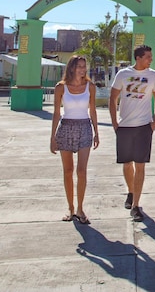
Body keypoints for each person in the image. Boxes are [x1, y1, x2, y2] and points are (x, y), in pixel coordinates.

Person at [109, 45, 155, 223]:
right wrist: (114, 123)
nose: (150, 60)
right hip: (125, 125)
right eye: (148, 57)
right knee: (127, 164)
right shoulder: (122, 74)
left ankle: (136, 206)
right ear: (138, 58)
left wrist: (154, 122)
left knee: (140, 165)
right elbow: (113, 98)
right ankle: (131, 192)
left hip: (143, 127)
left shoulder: (154, 76)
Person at [50, 55, 99, 224]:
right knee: (68, 171)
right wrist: (52, 137)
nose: (82, 69)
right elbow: (56, 113)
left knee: (82, 171)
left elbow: (92, 111)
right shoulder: (60, 87)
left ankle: (80, 208)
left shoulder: (90, 87)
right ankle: (70, 208)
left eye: (84, 66)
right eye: (79, 66)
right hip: (66, 128)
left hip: (85, 127)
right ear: (71, 68)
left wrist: (96, 132)